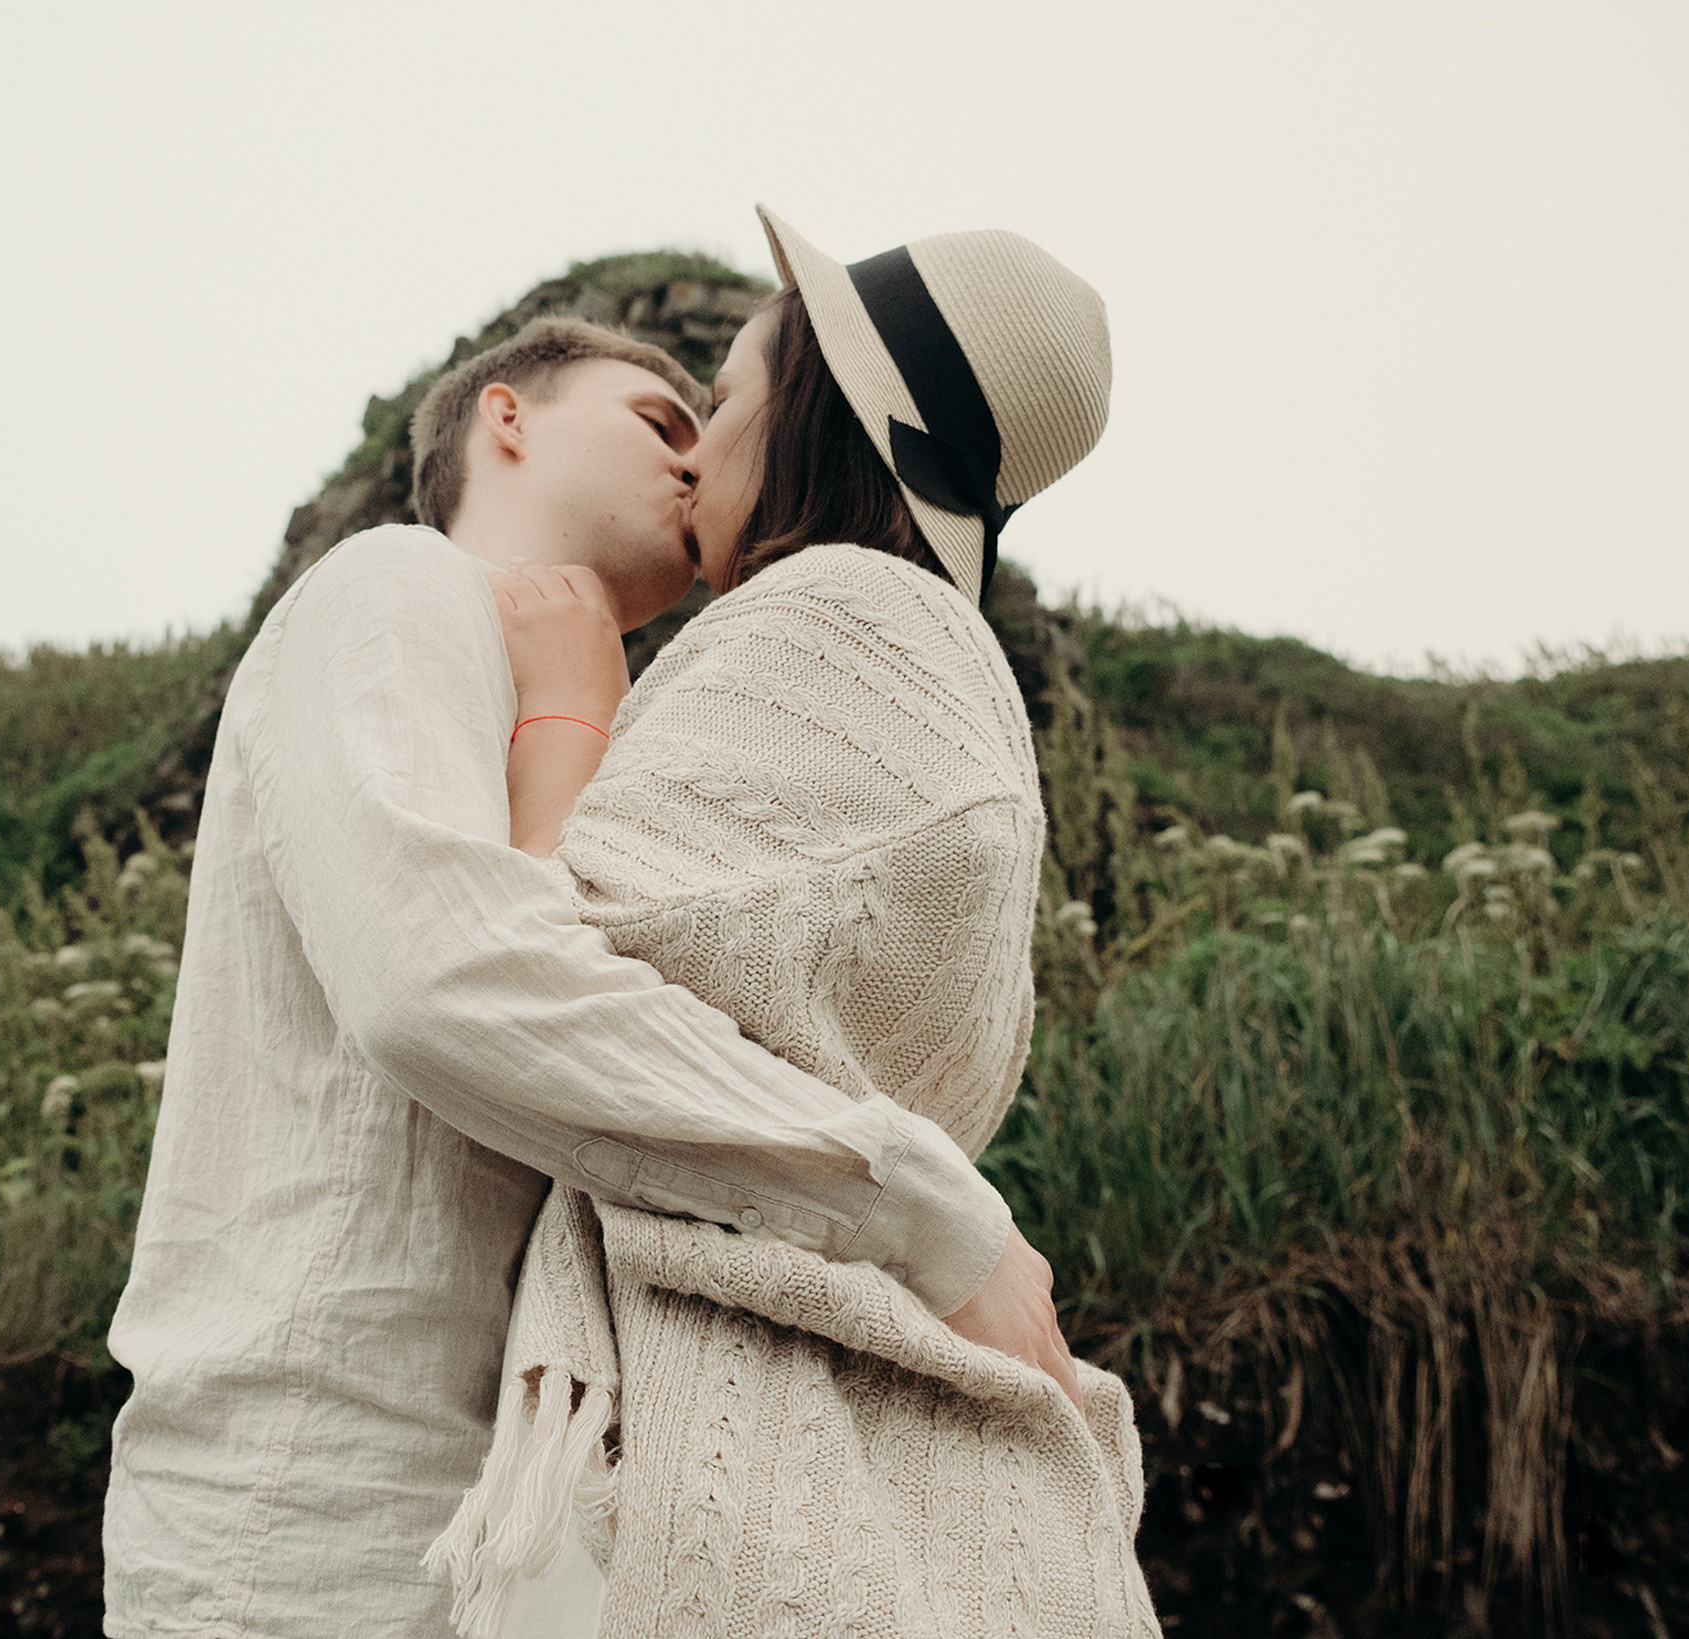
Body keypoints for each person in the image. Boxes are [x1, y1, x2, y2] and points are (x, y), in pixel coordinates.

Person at [102, 306, 1072, 1635]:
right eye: (659, 419)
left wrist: (576, 719)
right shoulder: (399, 585)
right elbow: (443, 980)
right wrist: (927, 1211)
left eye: (713, 421)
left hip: (508, 1522)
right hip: (312, 1507)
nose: (695, 457)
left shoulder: (609, 730)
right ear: (506, 419)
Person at [428, 210, 1153, 1638]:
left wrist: (572, 704)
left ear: (814, 410)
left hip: (709, 1429)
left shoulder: (829, 617)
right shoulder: (947, 677)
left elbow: (546, 963)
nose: (698, 450)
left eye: (728, 394)